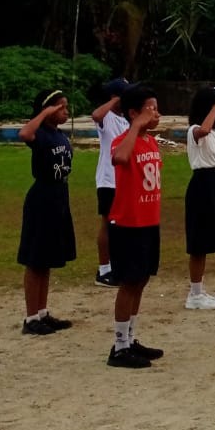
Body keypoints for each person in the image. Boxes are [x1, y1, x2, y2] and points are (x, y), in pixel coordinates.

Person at [107, 84, 165, 368]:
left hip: (148, 222)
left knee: (141, 280)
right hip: (128, 224)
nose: (156, 114)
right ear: (133, 113)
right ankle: (118, 347)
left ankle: (130, 338)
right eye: (150, 109)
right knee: (129, 283)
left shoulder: (151, 142)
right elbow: (119, 158)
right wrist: (135, 127)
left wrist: (142, 129)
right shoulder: (123, 140)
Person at [17, 89, 77, 335]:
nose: (66, 111)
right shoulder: (40, 133)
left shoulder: (58, 134)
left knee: (47, 258)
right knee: (35, 259)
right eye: (60, 107)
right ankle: (31, 318)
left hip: (58, 197)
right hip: (42, 197)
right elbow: (24, 134)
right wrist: (44, 113)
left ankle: (42, 312)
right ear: (48, 109)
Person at [184, 87, 215, 310]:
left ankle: (199, 290)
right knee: (198, 242)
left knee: (209, 239)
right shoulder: (195, 130)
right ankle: (194, 294)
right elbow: (201, 130)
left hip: (214, 181)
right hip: (202, 183)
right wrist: (214, 109)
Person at [91, 78, 130, 287]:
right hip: (108, 179)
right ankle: (104, 269)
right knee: (107, 223)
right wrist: (113, 101)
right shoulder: (106, 118)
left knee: (121, 225)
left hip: (123, 179)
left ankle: (117, 265)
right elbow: (95, 115)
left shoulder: (126, 120)